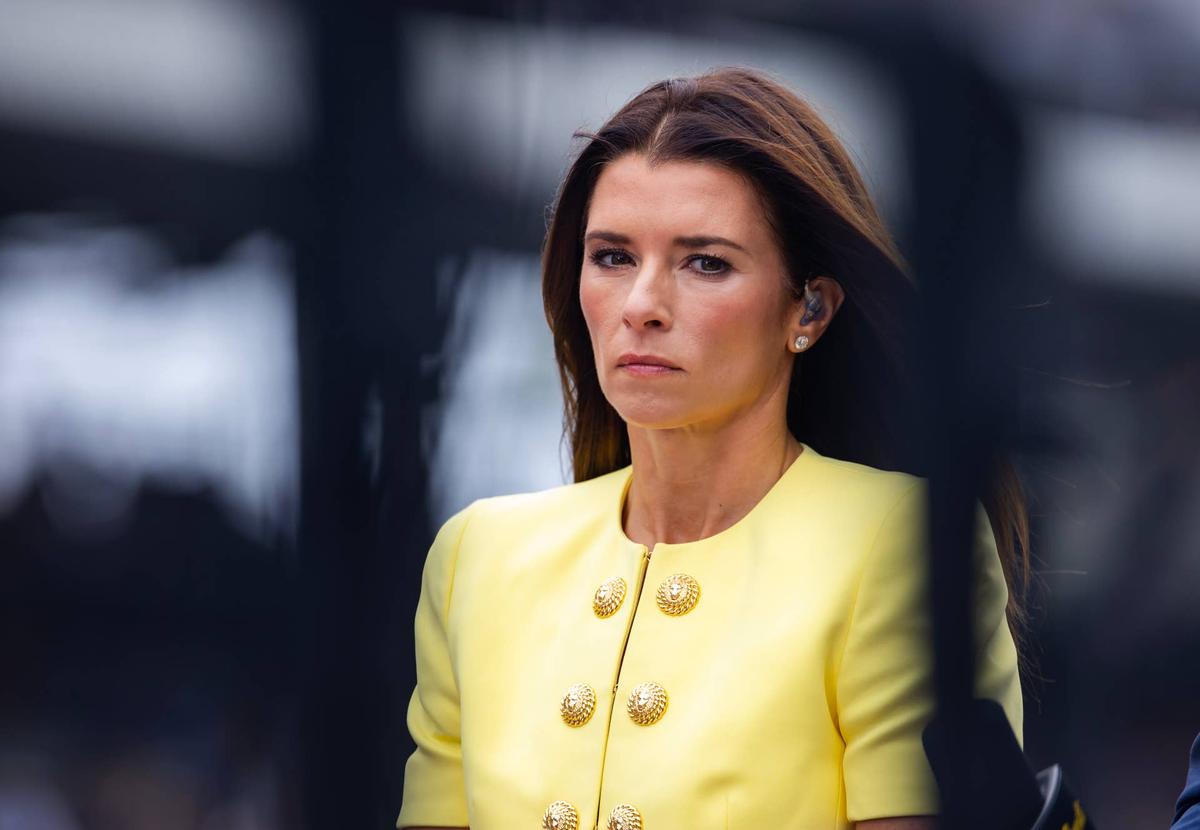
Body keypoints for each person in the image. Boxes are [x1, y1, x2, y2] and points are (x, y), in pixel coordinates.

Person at [396, 66, 1028, 830]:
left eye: (706, 262)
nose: (642, 306)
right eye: (612, 256)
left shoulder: (905, 545)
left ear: (811, 309)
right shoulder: (476, 558)